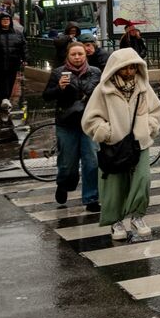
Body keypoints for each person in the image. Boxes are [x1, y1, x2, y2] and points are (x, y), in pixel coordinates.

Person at [81, 48, 160, 241]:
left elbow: (156, 110)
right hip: (113, 145)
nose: (129, 72)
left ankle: (137, 216)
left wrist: (149, 127)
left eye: (133, 68)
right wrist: (106, 133)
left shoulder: (144, 88)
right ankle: (115, 221)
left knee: (142, 179)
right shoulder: (103, 91)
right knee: (114, 185)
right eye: (125, 68)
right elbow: (90, 119)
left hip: (139, 143)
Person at [42, 41, 102, 212]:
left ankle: (91, 198)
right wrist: (59, 88)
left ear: (86, 55)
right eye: (73, 54)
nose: (77, 57)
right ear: (68, 55)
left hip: (89, 123)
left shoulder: (95, 72)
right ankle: (64, 184)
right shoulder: (58, 72)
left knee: (92, 161)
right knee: (68, 164)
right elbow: (46, 96)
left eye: (80, 54)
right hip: (67, 123)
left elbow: (102, 95)